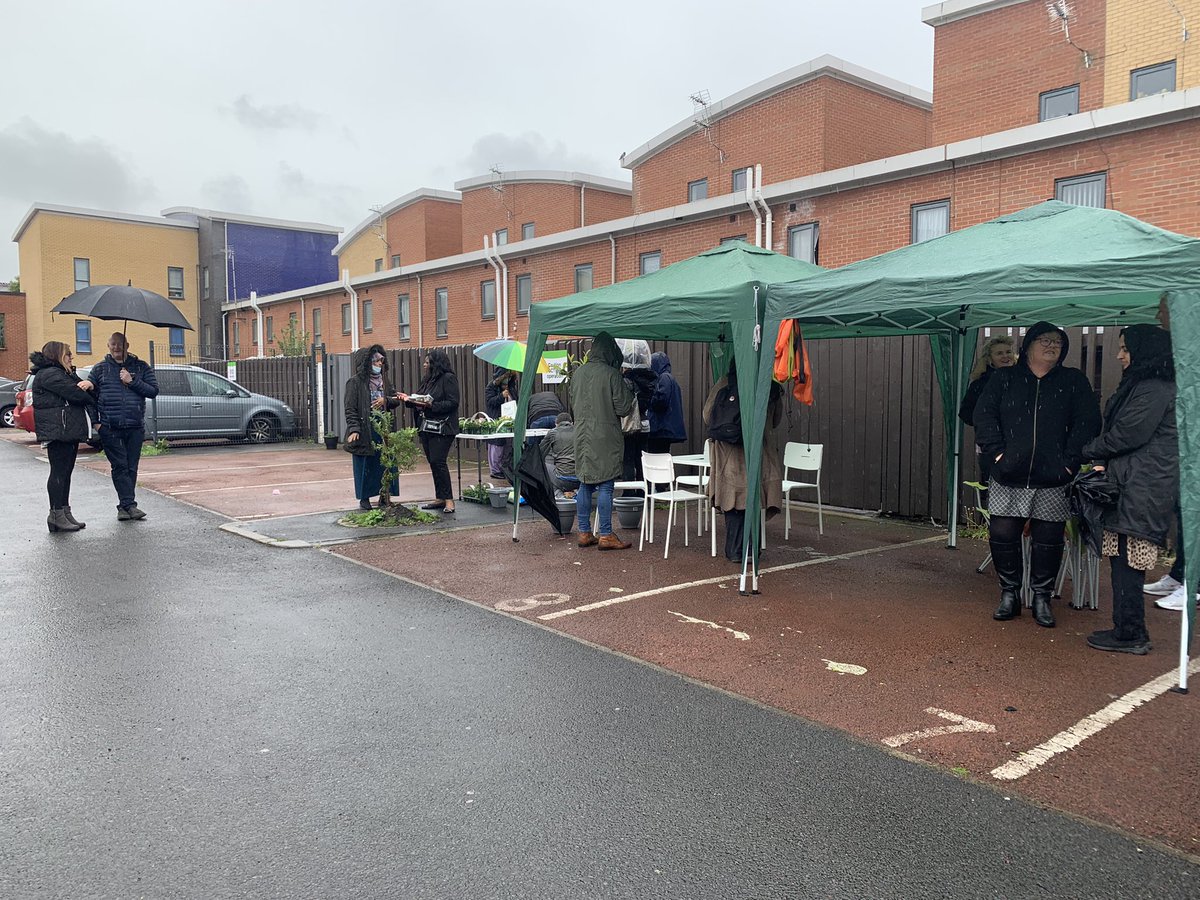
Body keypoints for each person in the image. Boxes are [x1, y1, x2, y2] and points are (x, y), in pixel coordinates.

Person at [974, 322, 1102, 627]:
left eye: (1057, 342)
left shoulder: (1073, 381)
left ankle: (1042, 597)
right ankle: (1010, 594)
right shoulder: (1005, 378)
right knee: (1002, 536)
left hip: (1053, 477)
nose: (1051, 345)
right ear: (1028, 344)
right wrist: (998, 455)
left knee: (1049, 539)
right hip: (1008, 474)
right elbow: (984, 416)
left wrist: (1069, 462)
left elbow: (1088, 423)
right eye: (1044, 340)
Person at [1081, 326, 1177, 654]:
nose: (1120, 355)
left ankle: (1131, 633)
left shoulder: (1153, 388)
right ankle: (1127, 628)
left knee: (1127, 559)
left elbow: (1127, 434)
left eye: (1125, 348)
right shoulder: (1149, 384)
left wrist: (1089, 450)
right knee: (1123, 557)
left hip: (1142, 485)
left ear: (1144, 350)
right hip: (1137, 482)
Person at [702, 366, 784, 563]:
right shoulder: (769, 385)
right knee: (752, 499)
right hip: (757, 451)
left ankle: (735, 550)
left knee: (733, 501)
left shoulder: (725, 381)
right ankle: (750, 549)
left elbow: (707, 416)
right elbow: (775, 420)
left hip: (729, 453)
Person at [1144, 296, 1191, 611]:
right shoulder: (1180, 339)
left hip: (1192, 440)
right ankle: (1179, 574)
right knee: (1184, 512)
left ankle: (1195, 586)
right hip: (1181, 442)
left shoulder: (1192, 338)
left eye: (1162, 307)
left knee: (1195, 513)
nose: (1159, 313)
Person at [570, 332, 634, 549]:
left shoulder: (578, 374)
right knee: (606, 484)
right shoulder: (611, 374)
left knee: (584, 484)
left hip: (581, 435)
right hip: (605, 437)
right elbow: (624, 407)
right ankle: (606, 534)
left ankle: (584, 532)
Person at [90, 332, 159, 521]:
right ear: (108, 345)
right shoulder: (99, 369)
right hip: (109, 427)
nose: (116, 348)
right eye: (113, 344)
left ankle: (125, 506)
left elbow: (153, 391)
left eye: (120, 344)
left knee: (131, 467)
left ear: (127, 345)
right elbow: (90, 397)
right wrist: (96, 423)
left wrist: (132, 381)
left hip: (134, 425)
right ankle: (129, 505)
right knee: (119, 466)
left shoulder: (141, 367)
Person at [30, 342, 96, 533]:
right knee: (59, 472)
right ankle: (56, 514)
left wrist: (84, 384)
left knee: (65, 472)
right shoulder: (50, 374)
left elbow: (81, 391)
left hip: (67, 430)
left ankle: (64, 512)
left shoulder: (62, 373)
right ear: (58, 355)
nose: (71, 358)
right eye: (68, 354)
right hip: (58, 431)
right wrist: (85, 389)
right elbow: (78, 395)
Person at [400, 349, 460, 514]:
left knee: (439, 461)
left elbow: (453, 403)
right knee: (433, 462)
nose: (425, 365)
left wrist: (431, 405)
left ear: (436, 363)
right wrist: (408, 399)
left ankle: (449, 501)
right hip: (427, 427)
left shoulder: (448, 379)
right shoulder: (427, 380)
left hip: (444, 428)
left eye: (427, 362)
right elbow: (419, 398)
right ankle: (440, 497)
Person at [344, 345, 402, 510]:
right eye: (376, 360)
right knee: (365, 465)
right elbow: (350, 408)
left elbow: (395, 399)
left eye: (381, 360)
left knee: (385, 463)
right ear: (367, 362)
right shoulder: (354, 382)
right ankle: (364, 498)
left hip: (383, 428)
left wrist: (386, 400)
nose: (379, 363)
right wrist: (354, 429)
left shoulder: (385, 380)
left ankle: (385, 495)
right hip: (365, 430)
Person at [959, 336, 1015, 497]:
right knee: (994, 492)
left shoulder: (1024, 379)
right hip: (990, 446)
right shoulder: (981, 384)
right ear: (990, 359)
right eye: (999, 353)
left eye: (1008, 352)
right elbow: (966, 413)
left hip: (1020, 445)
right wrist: (989, 425)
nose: (1005, 356)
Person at [618, 339, 655, 482]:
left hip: (629, 426)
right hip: (645, 424)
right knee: (641, 459)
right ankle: (643, 490)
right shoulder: (650, 379)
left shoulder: (627, 381)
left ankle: (629, 492)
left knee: (628, 458)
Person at [646, 350, 686, 454]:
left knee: (656, 456)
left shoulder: (664, 378)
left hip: (661, 428)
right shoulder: (669, 378)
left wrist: (649, 399)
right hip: (665, 428)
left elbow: (661, 401)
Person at [484, 367, 517, 479]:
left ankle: (505, 468)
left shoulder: (511, 388)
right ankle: (495, 469)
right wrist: (501, 396)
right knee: (497, 445)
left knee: (508, 445)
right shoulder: (491, 387)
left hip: (509, 420)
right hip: (497, 418)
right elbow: (490, 402)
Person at [541, 411, 578, 497]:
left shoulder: (553, 433)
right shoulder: (579, 432)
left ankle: (558, 494)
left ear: (556, 424)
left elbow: (540, 453)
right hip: (581, 478)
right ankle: (576, 493)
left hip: (562, 478)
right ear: (572, 423)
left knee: (542, 466)